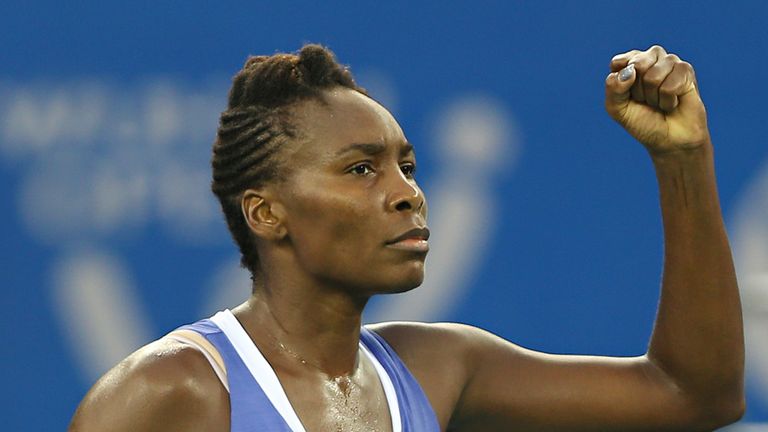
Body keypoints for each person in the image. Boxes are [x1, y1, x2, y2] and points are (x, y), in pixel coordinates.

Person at [68, 44, 745, 431]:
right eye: (361, 169)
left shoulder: (438, 366)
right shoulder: (169, 391)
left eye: (407, 166)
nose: (407, 192)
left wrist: (682, 158)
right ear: (266, 213)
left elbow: (694, 394)